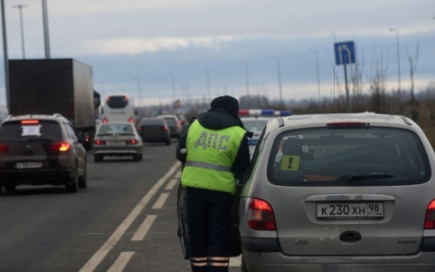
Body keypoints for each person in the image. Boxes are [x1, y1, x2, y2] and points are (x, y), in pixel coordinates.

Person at [176, 95, 250, 272]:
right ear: (234, 110)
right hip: (221, 193)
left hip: (193, 190)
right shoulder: (238, 132)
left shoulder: (194, 126)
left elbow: (180, 154)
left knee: (197, 235)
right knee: (218, 236)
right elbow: (242, 167)